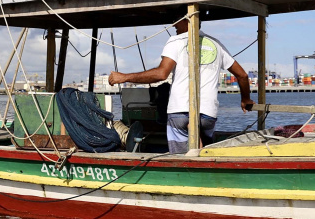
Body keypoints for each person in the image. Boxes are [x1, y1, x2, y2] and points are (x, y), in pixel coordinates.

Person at [108, 18, 254, 154]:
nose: (173, 25)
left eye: (176, 20)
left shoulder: (176, 41)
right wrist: (245, 99)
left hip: (180, 112)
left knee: (181, 158)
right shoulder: (216, 44)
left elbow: (161, 74)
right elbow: (242, 75)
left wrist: (124, 77)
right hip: (208, 114)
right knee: (203, 152)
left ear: (187, 20)